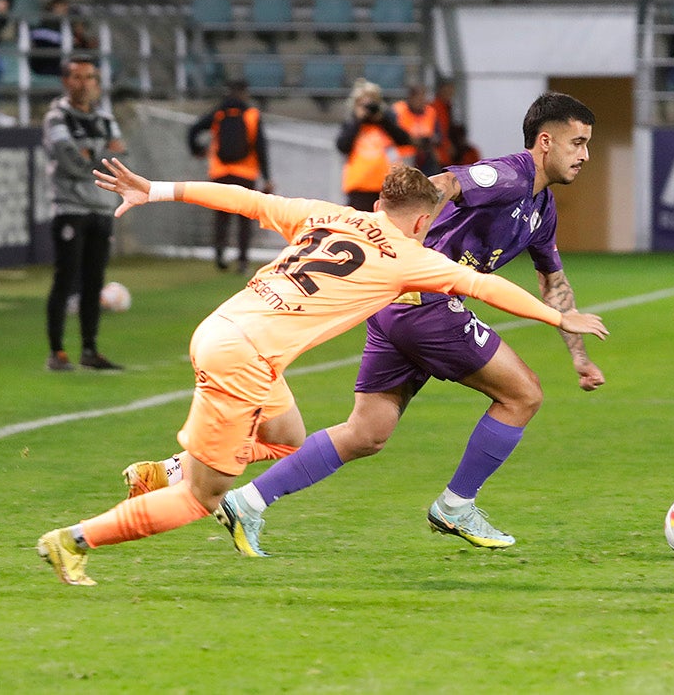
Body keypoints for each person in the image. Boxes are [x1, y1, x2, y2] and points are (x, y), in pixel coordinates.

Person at [35, 158, 608, 586]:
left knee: (286, 441)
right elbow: (485, 286)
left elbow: (242, 199)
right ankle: (73, 540)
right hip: (245, 359)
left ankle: (172, 466)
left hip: (222, 330)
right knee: (200, 500)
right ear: (420, 221)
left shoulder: (325, 214)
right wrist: (560, 316)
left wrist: (156, 189)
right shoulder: (410, 255)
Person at [121, 92, 605, 556]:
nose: (584, 155)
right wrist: (397, 243)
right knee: (523, 394)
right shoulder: (510, 175)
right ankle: (456, 506)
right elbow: (444, 183)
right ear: (545, 142)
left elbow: (554, 283)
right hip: (425, 302)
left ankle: (243, 501)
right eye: (577, 142)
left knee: (366, 433)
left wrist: (580, 358)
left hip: (396, 305)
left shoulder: (541, 210)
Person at [43, 55, 127, 372]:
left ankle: (90, 350)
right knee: (65, 278)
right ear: (65, 81)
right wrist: (100, 157)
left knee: (94, 281)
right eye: (77, 77)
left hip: (102, 206)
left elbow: (122, 158)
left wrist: (91, 155)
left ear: (97, 82)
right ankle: (57, 352)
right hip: (70, 207)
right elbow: (69, 160)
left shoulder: (105, 118)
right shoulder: (57, 117)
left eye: (89, 77)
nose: (83, 84)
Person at [186, 79, 273, 273]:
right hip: (245, 173)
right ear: (245, 93)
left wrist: (197, 150)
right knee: (244, 219)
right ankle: (242, 261)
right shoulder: (252, 115)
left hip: (220, 172)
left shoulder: (219, 113)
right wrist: (267, 177)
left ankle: (219, 254)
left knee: (221, 217)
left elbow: (193, 129)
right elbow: (261, 147)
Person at [336, 78, 410, 212]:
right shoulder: (352, 124)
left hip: (386, 187)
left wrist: (383, 120)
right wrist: (358, 120)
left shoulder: (386, 123)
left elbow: (404, 140)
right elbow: (342, 146)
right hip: (359, 187)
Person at [29, 0, 96, 77]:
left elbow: (76, 42)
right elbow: (40, 35)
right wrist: (69, 40)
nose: (63, 9)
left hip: (64, 59)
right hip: (46, 61)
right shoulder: (45, 21)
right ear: (52, 6)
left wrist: (86, 43)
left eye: (65, 7)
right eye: (60, 6)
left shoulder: (68, 24)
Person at [394, 82, 442, 174]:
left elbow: (439, 136)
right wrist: (414, 140)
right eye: (419, 98)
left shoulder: (430, 112)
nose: (422, 101)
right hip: (404, 159)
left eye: (424, 98)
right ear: (411, 98)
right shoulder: (398, 111)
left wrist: (430, 139)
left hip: (426, 156)